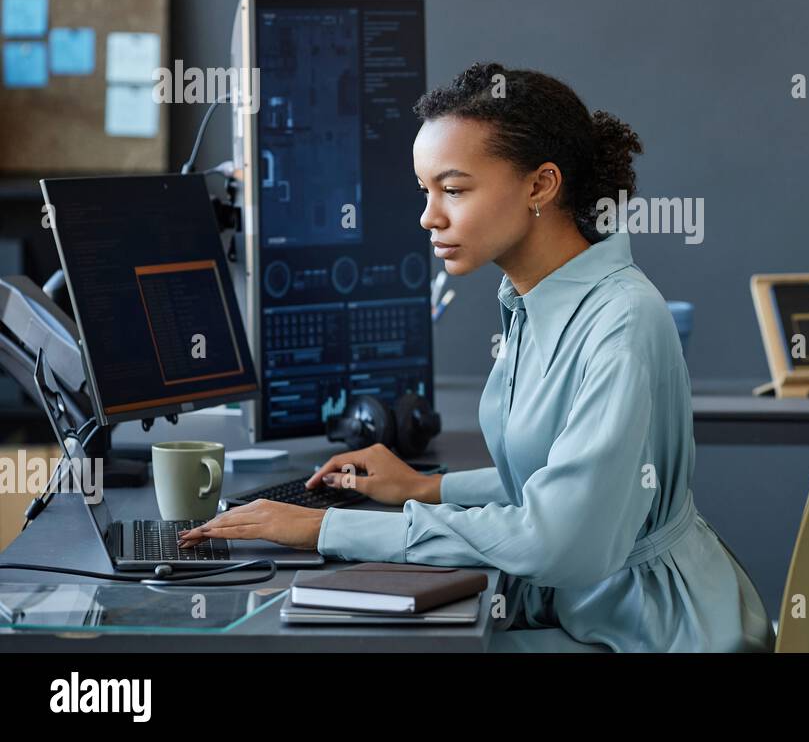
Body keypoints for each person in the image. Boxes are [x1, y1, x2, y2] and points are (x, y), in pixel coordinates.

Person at [181, 62, 774, 653]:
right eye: (426, 190)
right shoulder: (533, 298)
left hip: (651, 634)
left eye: (454, 189)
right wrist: (427, 488)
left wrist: (328, 528)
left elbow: (560, 536)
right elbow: (562, 476)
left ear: (541, 185)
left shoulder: (620, 322)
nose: (429, 216)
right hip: (585, 609)